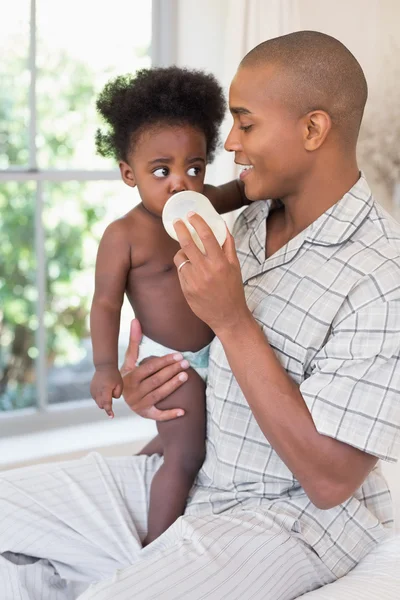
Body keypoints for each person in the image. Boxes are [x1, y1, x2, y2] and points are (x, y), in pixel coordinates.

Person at [1, 30, 400, 600]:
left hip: (289, 519)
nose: (229, 144)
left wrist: (233, 320)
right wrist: (147, 388)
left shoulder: (381, 277)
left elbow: (332, 481)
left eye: (246, 123)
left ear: (312, 129)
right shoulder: (230, 216)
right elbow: (170, 332)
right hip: (199, 475)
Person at [89, 66, 246, 545]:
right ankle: (155, 553)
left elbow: (243, 189)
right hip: (169, 361)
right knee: (185, 457)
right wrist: (103, 367)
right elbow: (103, 304)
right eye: (162, 171)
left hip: (217, 354)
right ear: (128, 173)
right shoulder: (124, 236)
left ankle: (123, 490)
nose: (181, 182)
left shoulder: (200, 204)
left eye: (194, 168)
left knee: (178, 439)